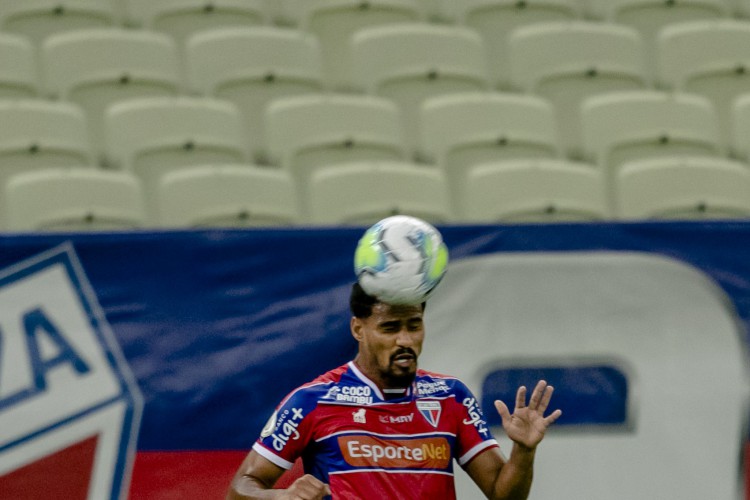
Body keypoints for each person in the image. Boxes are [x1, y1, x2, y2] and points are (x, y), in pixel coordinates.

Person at [227, 283, 562, 500]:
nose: (405, 340)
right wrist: (282, 497)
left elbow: (502, 495)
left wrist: (524, 452)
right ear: (358, 328)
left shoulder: (451, 397)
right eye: (390, 328)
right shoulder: (312, 401)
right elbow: (240, 489)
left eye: (414, 325)